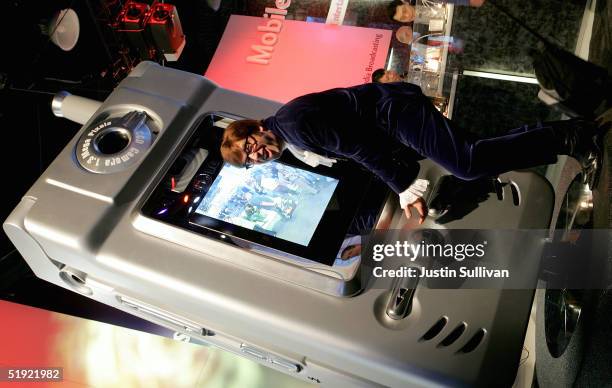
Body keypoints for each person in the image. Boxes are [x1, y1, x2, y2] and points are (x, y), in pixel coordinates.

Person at [220, 82, 604, 224]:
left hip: (397, 113)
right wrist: (402, 183)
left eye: (249, 147)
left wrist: (403, 185)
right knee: (477, 153)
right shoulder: (290, 132)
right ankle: (566, 136)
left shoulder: (293, 125)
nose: (257, 156)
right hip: (395, 116)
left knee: (468, 163)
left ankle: (571, 137)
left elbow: (358, 146)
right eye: (250, 160)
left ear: (255, 128)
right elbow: (357, 147)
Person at [388, 0, 486, 23]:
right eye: (403, 18)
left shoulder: (426, 1)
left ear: (405, 2)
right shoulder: (419, 33)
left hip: (475, 12)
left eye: (404, 10)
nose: (408, 15)